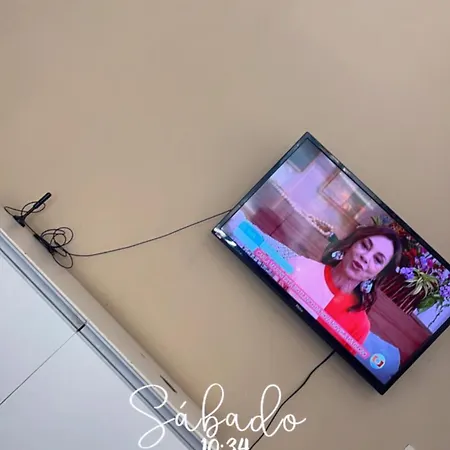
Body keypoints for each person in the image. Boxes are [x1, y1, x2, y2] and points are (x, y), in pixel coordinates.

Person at [283, 225, 403, 355]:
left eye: (378, 259)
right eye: (365, 245)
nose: (366, 257)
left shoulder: (360, 326)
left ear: (377, 275)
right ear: (350, 245)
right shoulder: (299, 267)